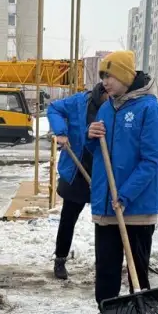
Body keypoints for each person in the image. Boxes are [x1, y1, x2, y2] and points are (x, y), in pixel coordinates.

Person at [83, 50, 158, 314]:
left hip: (137, 205)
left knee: (137, 264)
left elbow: (152, 161)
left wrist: (126, 194)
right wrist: (91, 137)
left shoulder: (150, 109)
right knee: (106, 264)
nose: (105, 82)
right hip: (107, 204)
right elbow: (98, 154)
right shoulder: (107, 108)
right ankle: (107, 311)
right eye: (103, 76)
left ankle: (141, 313)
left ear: (125, 76)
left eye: (109, 75)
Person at [45, 80, 107, 280]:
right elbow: (53, 108)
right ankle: (60, 260)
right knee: (68, 218)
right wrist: (61, 132)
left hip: (103, 172)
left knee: (104, 222)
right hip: (77, 169)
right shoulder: (80, 102)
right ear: (103, 92)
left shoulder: (118, 105)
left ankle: (105, 264)